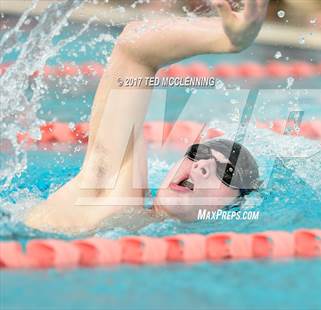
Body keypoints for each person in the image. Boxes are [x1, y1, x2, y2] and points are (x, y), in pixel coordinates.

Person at [25, 0, 268, 234]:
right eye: (199, 153)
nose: (202, 164)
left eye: (226, 172)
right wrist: (227, 40)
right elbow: (134, 46)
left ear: (233, 209)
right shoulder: (112, 191)